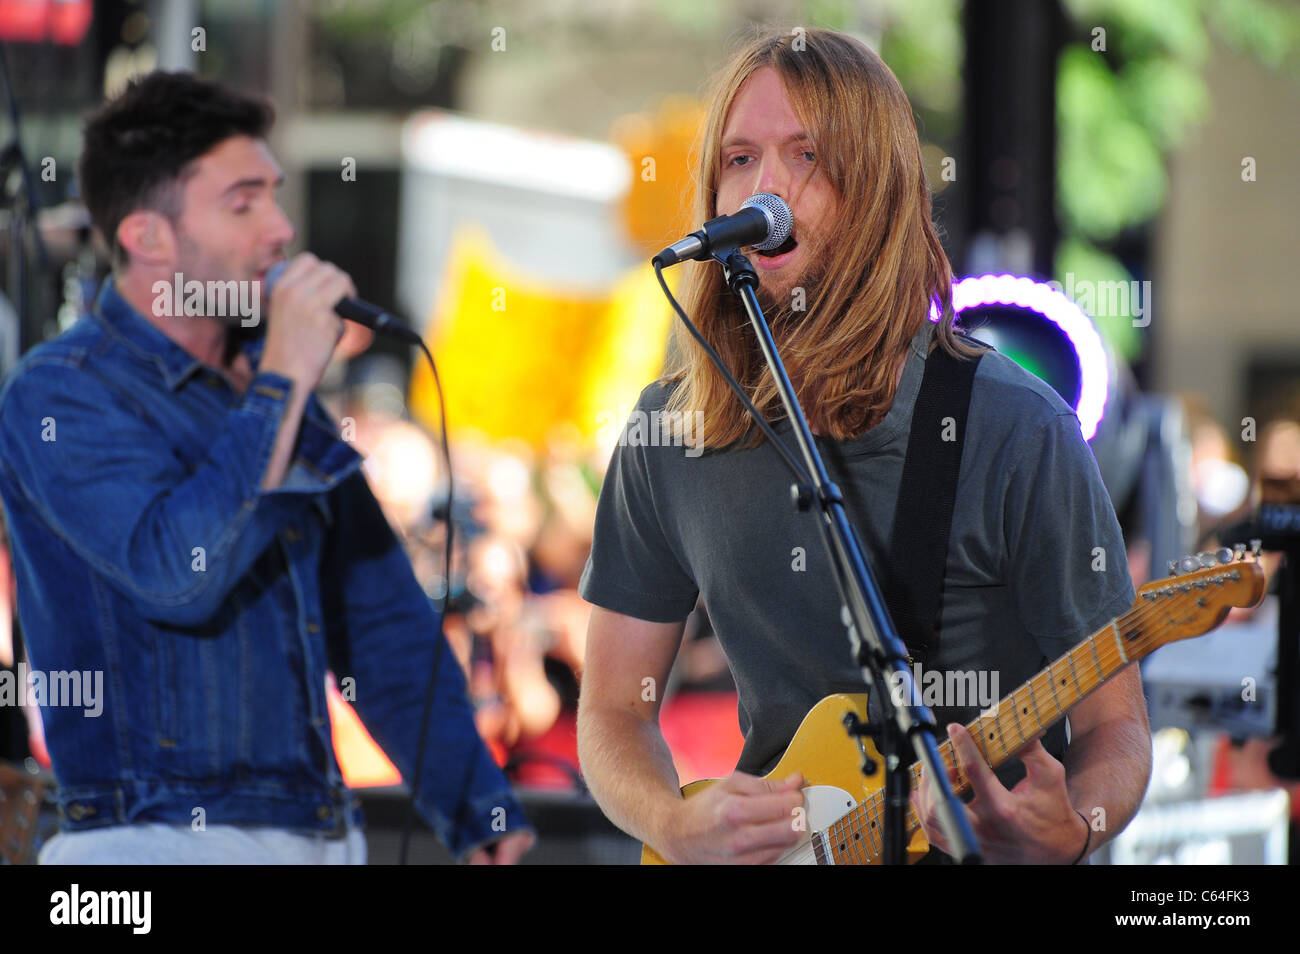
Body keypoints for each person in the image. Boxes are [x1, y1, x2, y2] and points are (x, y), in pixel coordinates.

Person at [576, 29, 1152, 865]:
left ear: (877, 186)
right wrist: (671, 822)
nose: (765, 187)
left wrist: (1077, 826)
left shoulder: (1018, 430)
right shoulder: (672, 432)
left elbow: (1115, 723)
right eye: (738, 159)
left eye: (805, 154)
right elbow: (612, 712)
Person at [0, 71, 534, 864]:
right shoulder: (61, 391)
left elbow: (379, 621)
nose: (281, 230)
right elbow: (180, 574)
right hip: (151, 842)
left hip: (319, 830)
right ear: (148, 237)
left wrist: (478, 808)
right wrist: (284, 376)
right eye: (243, 203)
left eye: (274, 197)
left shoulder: (274, 396)